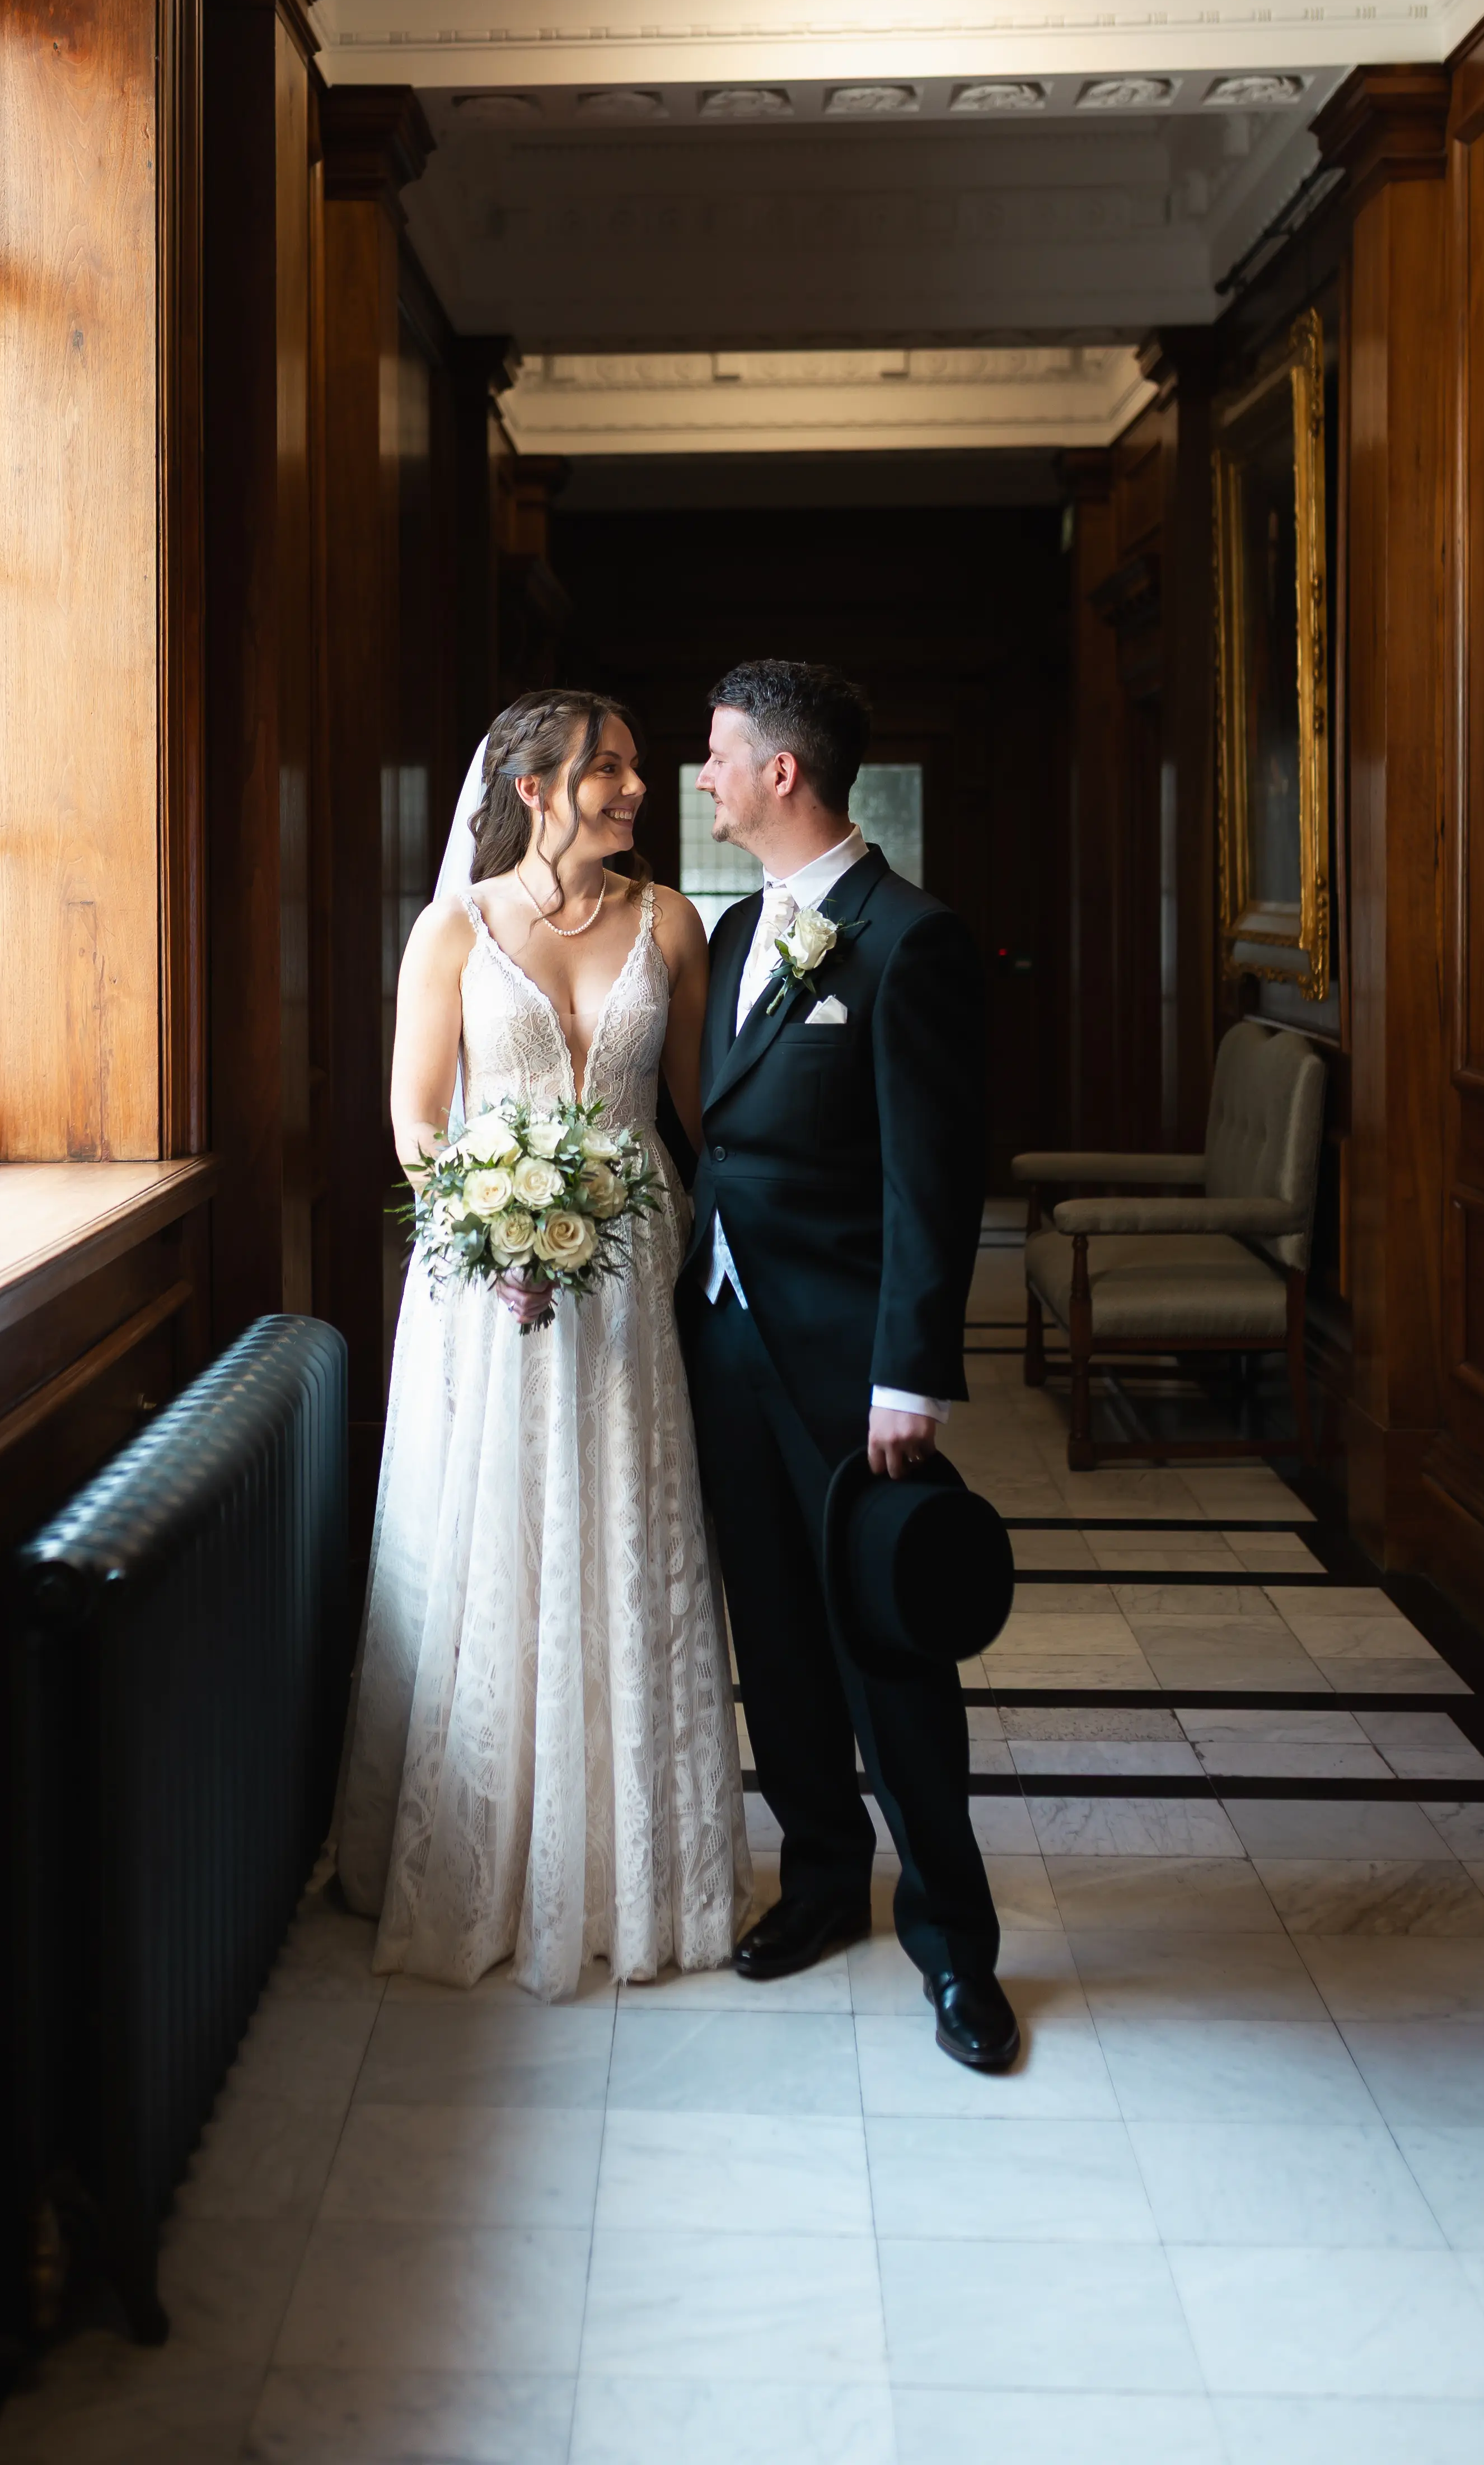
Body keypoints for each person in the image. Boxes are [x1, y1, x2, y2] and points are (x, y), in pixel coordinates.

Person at [336, 688, 752, 1999]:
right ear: (532, 790)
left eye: (634, 766)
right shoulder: (453, 930)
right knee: (498, 1530)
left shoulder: (669, 922)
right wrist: (494, 1229)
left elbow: (703, 1113)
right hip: (487, 1281)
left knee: (625, 1527)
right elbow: (416, 1120)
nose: (635, 788)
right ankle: (483, 1864)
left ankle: (632, 1865)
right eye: (608, 768)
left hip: (631, 1275)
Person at [678, 658, 1020, 2071]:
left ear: (783, 771)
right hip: (721, 1335)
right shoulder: (732, 929)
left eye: (717, 753)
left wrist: (907, 1375)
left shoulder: (910, 940)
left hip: (846, 1361)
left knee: (890, 1649)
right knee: (773, 1635)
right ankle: (822, 1878)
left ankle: (957, 1948)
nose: (702, 775)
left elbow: (932, 1182)